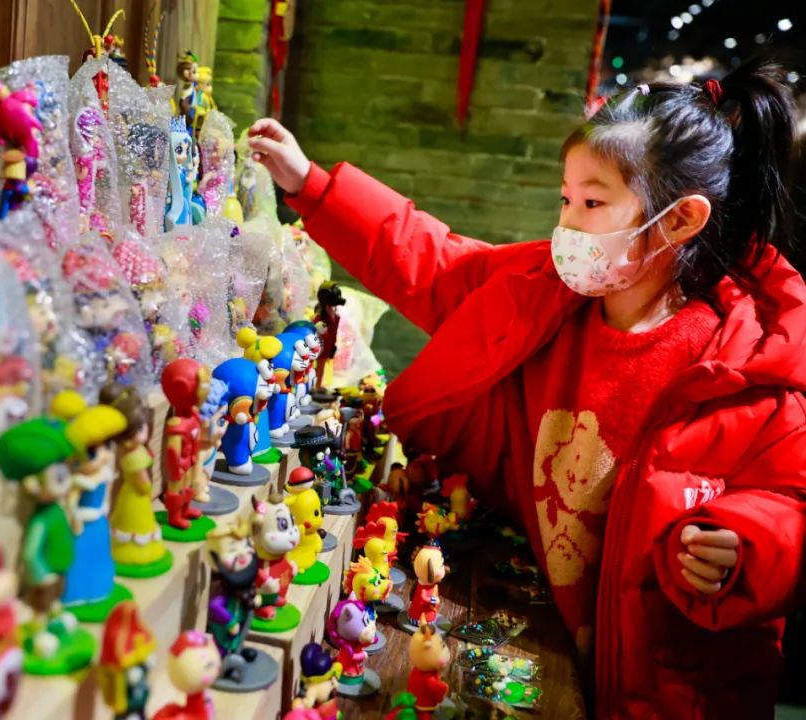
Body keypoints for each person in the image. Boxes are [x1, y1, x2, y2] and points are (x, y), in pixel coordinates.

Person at [248, 59, 806, 720]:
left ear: (680, 220)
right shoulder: (549, 292)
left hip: (665, 690)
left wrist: (745, 543)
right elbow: (436, 265)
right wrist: (313, 187)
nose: (567, 223)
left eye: (593, 203)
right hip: (545, 631)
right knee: (460, 692)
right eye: (564, 198)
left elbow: (788, 497)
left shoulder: (746, 366)